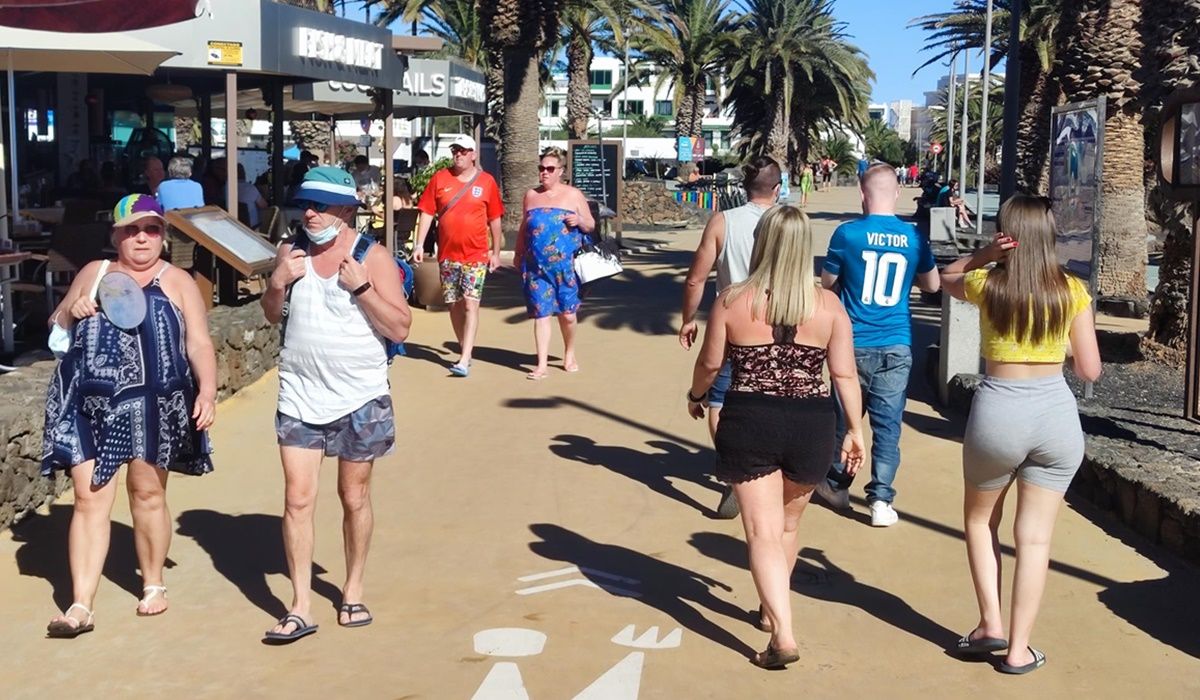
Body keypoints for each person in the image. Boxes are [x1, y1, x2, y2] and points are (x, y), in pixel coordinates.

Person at [686, 205, 865, 669]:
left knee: (760, 532)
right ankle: (771, 612)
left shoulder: (731, 300)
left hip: (751, 418)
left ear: (763, 242)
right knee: (786, 527)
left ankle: (782, 633)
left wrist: (697, 394)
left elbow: (710, 364)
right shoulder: (827, 306)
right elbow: (844, 374)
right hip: (812, 423)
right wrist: (856, 430)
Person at [41, 194, 216, 637]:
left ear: (162, 235)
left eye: (152, 229)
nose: (142, 237)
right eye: (132, 229)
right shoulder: (94, 273)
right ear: (115, 234)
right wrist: (72, 309)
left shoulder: (177, 280)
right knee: (89, 498)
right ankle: (80, 605)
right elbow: (56, 323)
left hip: (155, 404)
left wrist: (208, 391)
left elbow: (197, 342)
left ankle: (152, 583)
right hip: (88, 403)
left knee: (147, 494)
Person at [940, 195, 1100, 674]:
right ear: (1051, 235)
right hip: (1055, 416)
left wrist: (986, 255)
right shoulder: (1072, 290)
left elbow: (944, 278)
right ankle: (1019, 650)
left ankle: (990, 624)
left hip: (999, 412)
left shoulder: (986, 285)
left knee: (979, 521)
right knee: (1034, 539)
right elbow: (1090, 368)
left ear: (1006, 234)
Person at [260, 167, 412, 644]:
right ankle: (301, 605)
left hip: (360, 396)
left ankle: (353, 589)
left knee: (354, 498)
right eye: (305, 204)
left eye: (320, 206)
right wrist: (277, 282)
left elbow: (400, 328)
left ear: (346, 210)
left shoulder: (373, 256)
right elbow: (270, 314)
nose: (309, 213)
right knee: (297, 499)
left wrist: (362, 288)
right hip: (300, 394)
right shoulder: (290, 251)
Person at [816, 164, 940, 526]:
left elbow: (827, 283)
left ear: (862, 193)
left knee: (843, 420)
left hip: (851, 345)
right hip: (896, 343)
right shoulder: (914, 236)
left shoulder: (848, 234)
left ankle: (837, 485)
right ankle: (881, 500)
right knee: (889, 426)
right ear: (898, 191)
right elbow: (932, 285)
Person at [680, 155, 782, 519]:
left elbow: (696, 278)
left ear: (742, 187)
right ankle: (771, 466)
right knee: (774, 394)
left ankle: (735, 470)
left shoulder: (723, 221)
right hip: (780, 324)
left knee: (720, 398)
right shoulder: (786, 222)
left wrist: (689, 319)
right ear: (777, 187)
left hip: (732, 323)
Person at [413, 135, 503, 377]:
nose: (459, 155)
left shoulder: (486, 182)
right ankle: (465, 347)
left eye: (463, 151)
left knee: (471, 304)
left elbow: (495, 218)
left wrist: (495, 252)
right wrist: (419, 245)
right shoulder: (440, 179)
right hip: (448, 254)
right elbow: (427, 213)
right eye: (455, 150)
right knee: (453, 304)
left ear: (473, 154)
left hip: (476, 255)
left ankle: (464, 358)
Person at [513, 146, 596, 380]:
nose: (544, 173)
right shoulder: (531, 195)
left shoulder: (573, 195)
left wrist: (579, 220)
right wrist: (518, 254)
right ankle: (541, 364)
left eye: (550, 169)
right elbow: (523, 227)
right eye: (541, 168)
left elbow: (590, 225)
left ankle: (569, 353)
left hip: (566, 267)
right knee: (541, 314)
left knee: (567, 315)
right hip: (535, 268)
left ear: (560, 171)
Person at [235, 163, 268, 229]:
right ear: (243, 174)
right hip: (251, 229)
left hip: (233, 226)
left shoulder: (226, 187)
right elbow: (264, 205)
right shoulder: (250, 188)